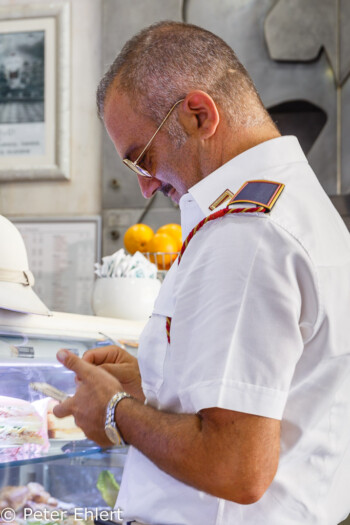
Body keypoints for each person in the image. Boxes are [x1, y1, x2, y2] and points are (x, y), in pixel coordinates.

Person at [54, 21, 350, 525]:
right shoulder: (290, 206)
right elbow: (266, 397)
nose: (146, 186)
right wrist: (157, 381)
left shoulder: (246, 235)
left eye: (142, 158)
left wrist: (115, 411)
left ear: (198, 114)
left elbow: (237, 467)